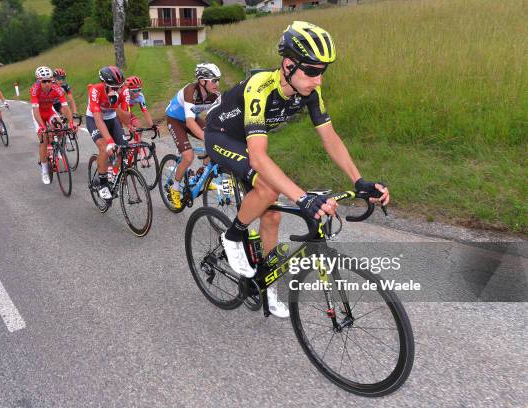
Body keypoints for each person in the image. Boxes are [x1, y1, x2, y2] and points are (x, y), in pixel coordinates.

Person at [205, 21, 389, 318]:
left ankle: (267, 286)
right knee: (268, 188)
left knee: (273, 215)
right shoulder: (260, 87)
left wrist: (359, 180)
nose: (319, 80)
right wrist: (302, 198)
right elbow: (259, 159)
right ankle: (234, 235)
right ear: (288, 65)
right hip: (221, 136)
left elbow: (329, 137)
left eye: (323, 72)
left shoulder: (309, 92)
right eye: (313, 71)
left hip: (250, 140)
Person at [164, 63, 221, 208]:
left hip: (191, 118)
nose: (217, 84)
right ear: (202, 81)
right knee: (188, 156)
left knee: (217, 140)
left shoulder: (215, 95)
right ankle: (175, 188)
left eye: (218, 80)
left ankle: (200, 175)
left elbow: (220, 117)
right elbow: (189, 122)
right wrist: (207, 138)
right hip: (175, 120)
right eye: (214, 80)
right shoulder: (191, 91)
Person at [85, 65, 132, 200]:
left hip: (112, 119)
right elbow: (99, 120)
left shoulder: (124, 92)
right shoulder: (95, 90)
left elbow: (126, 119)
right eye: (113, 87)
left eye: (119, 87)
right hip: (94, 119)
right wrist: (110, 142)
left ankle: (111, 176)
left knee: (123, 149)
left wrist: (116, 105)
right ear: (104, 84)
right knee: (105, 147)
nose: (116, 90)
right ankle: (103, 184)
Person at [30, 66, 75, 185]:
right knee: (44, 139)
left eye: (49, 81)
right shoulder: (35, 89)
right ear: (39, 81)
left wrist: (71, 123)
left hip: (49, 111)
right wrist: (42, 126)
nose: (47, 84)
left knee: (60, 127)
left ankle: (57, 147)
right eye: (44, 81)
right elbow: (35, 111)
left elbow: (65, 107)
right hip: (38, 113)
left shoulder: (57, 89)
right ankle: (44, 170)